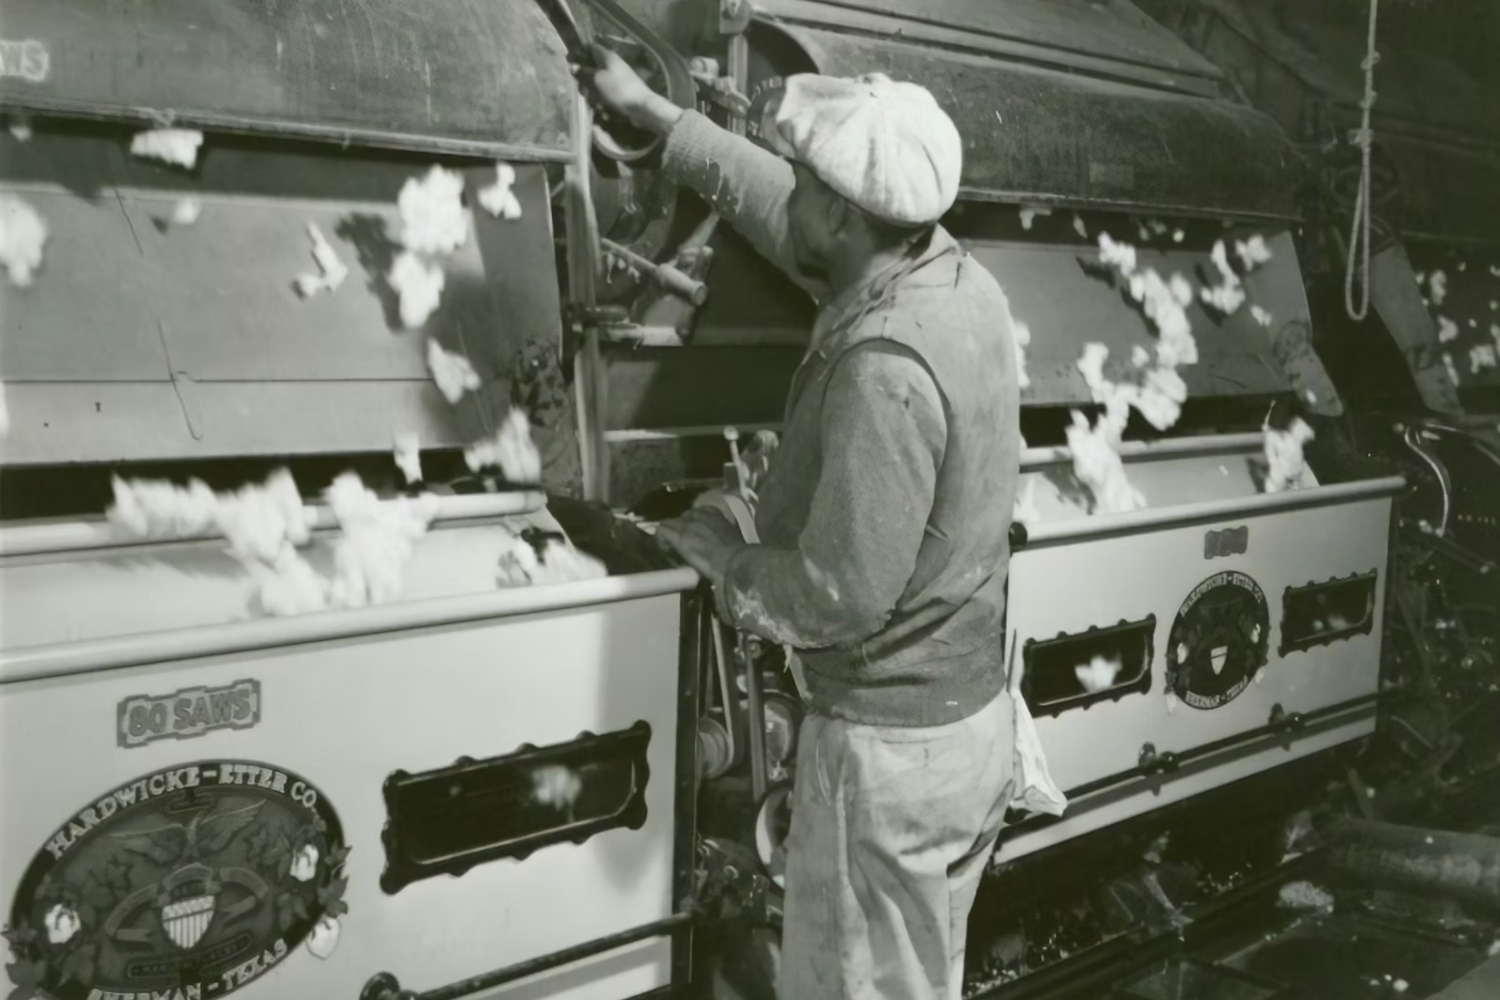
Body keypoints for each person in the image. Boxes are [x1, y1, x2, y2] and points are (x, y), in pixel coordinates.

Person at [582, 48, 1022, 1000]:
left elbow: (836, 595)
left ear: (844, 216)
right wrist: (662, 118)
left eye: (810, 187)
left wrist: (733, 563)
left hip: (890, 762)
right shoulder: (949, 278)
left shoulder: (884, 373)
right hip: (965, 725)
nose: (797, 199)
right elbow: (787, 221)